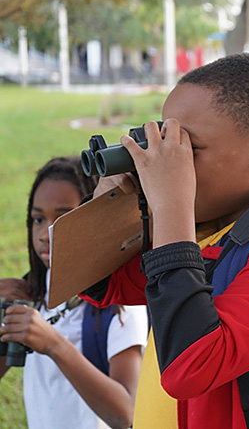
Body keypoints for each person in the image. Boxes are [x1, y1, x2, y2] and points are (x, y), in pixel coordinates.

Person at [80, 53, 249, 429]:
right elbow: (95, 279)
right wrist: (109, 209)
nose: (171, 163)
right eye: (167, 143)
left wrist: (171, 206)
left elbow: (190, 367)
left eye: (188, 149)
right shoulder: (203, 233)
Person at [0, 156, 148, 429]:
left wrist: (55, 345)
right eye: (37, 219)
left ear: (95, 220)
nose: (45, 234)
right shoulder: (34, 294)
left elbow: (126, 413)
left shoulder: (122, 304)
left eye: (63, 218)